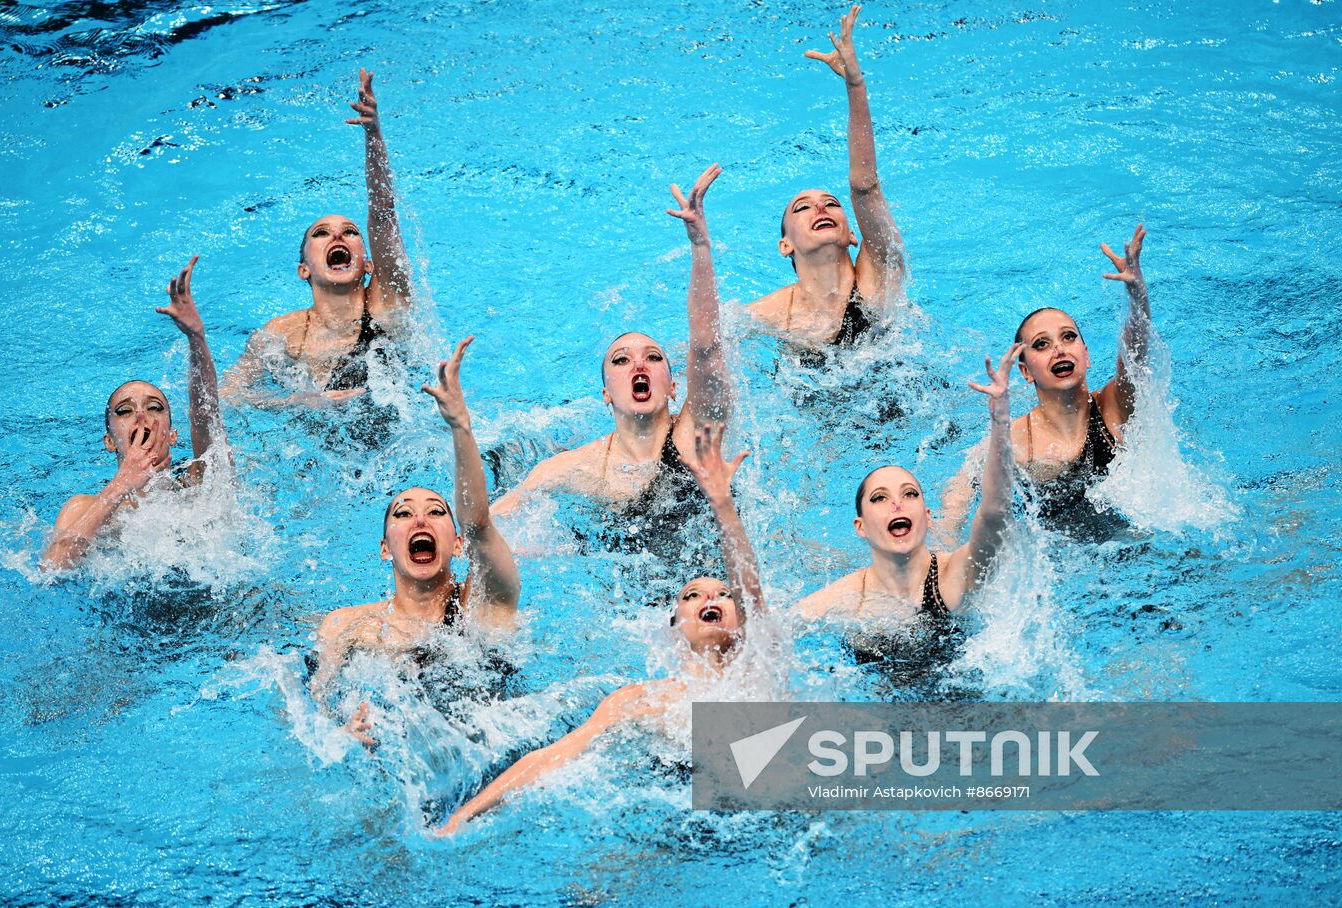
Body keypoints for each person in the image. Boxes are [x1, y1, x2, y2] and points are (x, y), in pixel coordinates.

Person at [438, 421, 762, 834]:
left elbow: (749, 586)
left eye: (722, 594)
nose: (711, 599)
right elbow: (553, 759)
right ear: (672, 628)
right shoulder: (639, 702)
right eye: (692, 595)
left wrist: (722, 504)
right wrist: (462, 815)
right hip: (674, 820)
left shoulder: (756, 669)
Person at [489, 165, 733, 535]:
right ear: (605, 394)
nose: (639, 364)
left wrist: (700, 246)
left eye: (653, 357)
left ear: (672, 386)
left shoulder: (694, 438)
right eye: (621, 360)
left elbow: (707, 348)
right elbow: (491, 522)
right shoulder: (577, 468)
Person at [310, 338, 521, 746]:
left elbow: (478, 523)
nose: (420, 518)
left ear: (456, 544)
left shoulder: (484, 605)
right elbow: (312, 715)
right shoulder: (346, 628)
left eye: (436, 512)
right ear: (385, 547)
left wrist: (460, 425)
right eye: (403, 513)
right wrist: (341, 734)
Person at [796, 344, 1023, 677]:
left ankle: (962, 481)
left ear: (925, 516)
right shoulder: (847, 599)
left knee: (956, 511)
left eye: (909, 494)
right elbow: (761, 633)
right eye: (879, 498)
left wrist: (1000, 420)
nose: (897, 504)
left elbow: (994, 514)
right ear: (860, 527)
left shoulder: (952, 577)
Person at [938, 225, 1153, 537]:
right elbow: (958, 497)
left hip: (1133, 542)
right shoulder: (1012, 442)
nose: (1058, 349)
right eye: (1041, 344)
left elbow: (1136, 355)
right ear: (1026, 372)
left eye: (1068, 337)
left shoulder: (1114, 408)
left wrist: (1137, 296)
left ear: (1087, 355)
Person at [221, 69, 415, 409]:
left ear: (368, 263)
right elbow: (227, 396)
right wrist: (298, 401)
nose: (337, 234)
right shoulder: (283, 334)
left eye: (351, 231)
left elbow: (384, 212)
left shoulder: (387, 302)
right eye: (321, 233)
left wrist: (374, 136)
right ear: (304, 269)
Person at [43, 256, 229, 570]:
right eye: (125, 411)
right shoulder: (86, 506)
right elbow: (53, 566)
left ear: (173, 433)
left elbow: (205, 412)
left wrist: (196, 338)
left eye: (155, 407)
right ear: (110, 441)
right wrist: (121, 484)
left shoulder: (199, 487)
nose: (141, 416)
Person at [746, 5, 906, 348]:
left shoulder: (878, 276)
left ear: (851, 234)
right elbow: (701, 349)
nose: (820, 209)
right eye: (802, 208)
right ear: (785, 245)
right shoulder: (772, 314)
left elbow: (866, 187)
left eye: (831, 203)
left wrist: (855, 84)